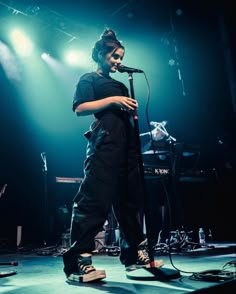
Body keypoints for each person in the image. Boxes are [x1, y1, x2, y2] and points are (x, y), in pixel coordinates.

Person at [62, 28, 163, 283]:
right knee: (94, 201)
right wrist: (114, 100)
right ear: (100, 54)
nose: (118, 61)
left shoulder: (120, 83)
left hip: (127, 148)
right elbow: (80, 108)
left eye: (120, 57)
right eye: (114, 56)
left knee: (131, 203)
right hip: (104, 145)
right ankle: (78, 262)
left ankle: (134, 256)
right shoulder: (89, 79)